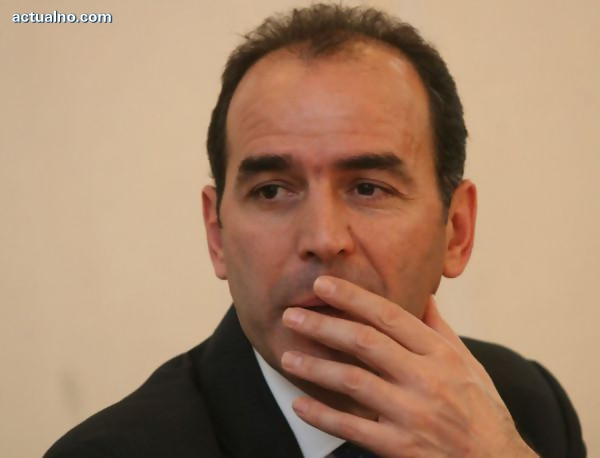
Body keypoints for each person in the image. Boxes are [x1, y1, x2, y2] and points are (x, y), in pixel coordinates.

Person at [45, 4, 585, 457]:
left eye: (368, 188)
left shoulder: (524, 407)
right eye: (272, 191)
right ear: (216, 234)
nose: (324, 239)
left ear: (456, 231)